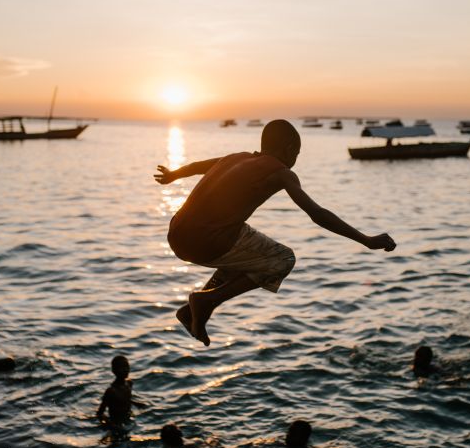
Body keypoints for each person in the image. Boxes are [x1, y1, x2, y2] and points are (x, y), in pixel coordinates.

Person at [155, 120, 396, 346]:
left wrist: (173, 174)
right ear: (290, 148)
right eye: (297, 154)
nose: (296, 159)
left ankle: (192, 310)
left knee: (249, 248)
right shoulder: (281, 172)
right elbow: (317, 213)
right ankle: (207, 301)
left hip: (176, 234)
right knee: (283, 259)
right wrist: (366, 240)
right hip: (206, 243)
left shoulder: (234, 157)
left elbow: (197, 167)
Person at [97, 355, 143, 423]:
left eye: (127, 366)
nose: (126, 369)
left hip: (128, 417)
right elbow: (100, 413)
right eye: (122, 367)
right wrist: (109, 423)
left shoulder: (129, 384)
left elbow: (125, 400)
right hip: (116, 422)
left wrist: (136, 404)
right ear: (114, 370)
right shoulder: (111, 391)